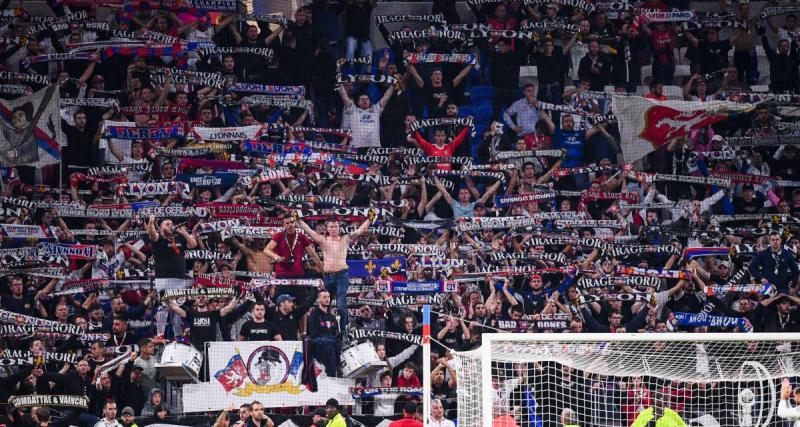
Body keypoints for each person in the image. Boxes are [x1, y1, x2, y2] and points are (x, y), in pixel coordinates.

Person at [296, 214, 372, 332]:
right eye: (331, 227)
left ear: (339, 228)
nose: (334, 229)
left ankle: (343, 331)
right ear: (327, 228)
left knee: (341, 305)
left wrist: (370, 219)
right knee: (323, 304)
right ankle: (323, 329)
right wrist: (299, 220)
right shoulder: (322, 240)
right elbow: (309, 231)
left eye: (336, 226)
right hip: (327, 277)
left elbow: (359, 231)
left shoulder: (345, 239)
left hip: (341, 276)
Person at [147, 215, 198, 290]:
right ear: (161, 228)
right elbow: (152, 234)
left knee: (179, 301)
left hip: (179, 277)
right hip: (163, 278)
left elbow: (193, 244)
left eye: (171, 224)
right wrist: (151, 222)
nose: (170, 226)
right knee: (165, 301)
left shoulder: (179, 238)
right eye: (167, 225)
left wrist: (183, 232)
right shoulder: (158, 238)